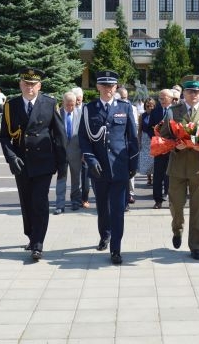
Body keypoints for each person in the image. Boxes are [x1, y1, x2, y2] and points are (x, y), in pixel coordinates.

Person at [0, 67, 67, 261]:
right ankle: (31, 236)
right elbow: (4, 137)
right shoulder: (11, 106)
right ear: (20, 84)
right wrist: (11, 157)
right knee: (26, 203)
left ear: (39, 85)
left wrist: (62, 164)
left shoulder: (49, 103)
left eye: (33, 84)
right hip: (21, 163)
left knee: (40, 202)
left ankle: (38, 243)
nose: (29, 88)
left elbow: (59, 135)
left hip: (44, 162)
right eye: (26, 84)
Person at [79, 70, 138, 265]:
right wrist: (91, 160)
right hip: (99, 168)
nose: (108, 90)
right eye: (104, 86)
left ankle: (116, 249)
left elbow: (132, 138)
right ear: (97, 87)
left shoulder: (125, 107)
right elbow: (84, 139)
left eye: (111, 86)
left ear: (116, 87)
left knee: (118, 210)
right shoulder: (89, 109)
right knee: (103, 207)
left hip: (120, 168)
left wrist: (133, 163)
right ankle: (105, 234)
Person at [159, 75, 199, 260]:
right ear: (184, 93)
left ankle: (196, 245)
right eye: (190, 91)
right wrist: (175, 144)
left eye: (197, 91)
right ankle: (177, 228)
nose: (194, 94)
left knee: (198, 209)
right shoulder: (173, 112)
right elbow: (164, 138)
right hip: (177, 167)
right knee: (176, 205)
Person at [54, 89, 85, 214]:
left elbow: (84, 136)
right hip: (61, 152)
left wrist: (83, 153)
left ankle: (75, 202)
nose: (70, 107)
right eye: (68, 104)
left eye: (73, 104)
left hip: (76, 152)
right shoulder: (57, 114)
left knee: (76, 179)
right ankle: (60, 205)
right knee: (61, 179)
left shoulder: (80, 114)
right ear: (63, 102)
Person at [148, 89, 174, 209]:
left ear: (171, 98)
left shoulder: (176, 110)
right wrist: (155, 137)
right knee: (158, 175)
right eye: (160, 98)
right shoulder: (155, 111)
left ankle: (170, 199)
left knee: (170, 175)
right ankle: (158, 200)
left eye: (164, 98)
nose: (161, 100)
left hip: (172, 148)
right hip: (159, 148)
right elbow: (149, 127)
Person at [117, 87, 139, 207]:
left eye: (126, 98)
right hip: (118, 149)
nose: (125, 100)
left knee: (128, 176)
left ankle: (129, 196)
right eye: (123, 98)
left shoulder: (131, 108)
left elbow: (133, 131)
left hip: (127, 148)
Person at [138, 97, 156, 186]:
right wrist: (139, 140)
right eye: (148, 106)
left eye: (152, 106)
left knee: (154, 158)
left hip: (154, 138)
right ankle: (149, 178)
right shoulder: (142, 115)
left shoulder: (156, 114)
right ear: (145, 106)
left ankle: (155, 176)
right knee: (147, 159)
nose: (150, 107)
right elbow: (140, 129)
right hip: (145, 139)